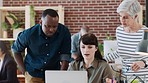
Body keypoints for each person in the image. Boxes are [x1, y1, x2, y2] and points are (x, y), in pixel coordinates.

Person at [11, 9, 71, 83]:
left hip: (53, 73)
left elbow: (65, 55)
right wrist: (24, 72)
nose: (51, 30)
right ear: (41, 22)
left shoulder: (64, 32)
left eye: (54, 26)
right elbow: (15, 50)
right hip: (33, 73)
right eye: (48, 26)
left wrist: (61, 75)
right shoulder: (29, 34)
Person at [104, 0, 148, 82]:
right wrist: (103, 59)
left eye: (125, 17)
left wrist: (144, 63)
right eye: (120, 16)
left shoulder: (145, 32)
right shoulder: (119, 31)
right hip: (126, 78)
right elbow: (120, 51)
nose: (122, 20)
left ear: (135, 16)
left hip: (143, 78)